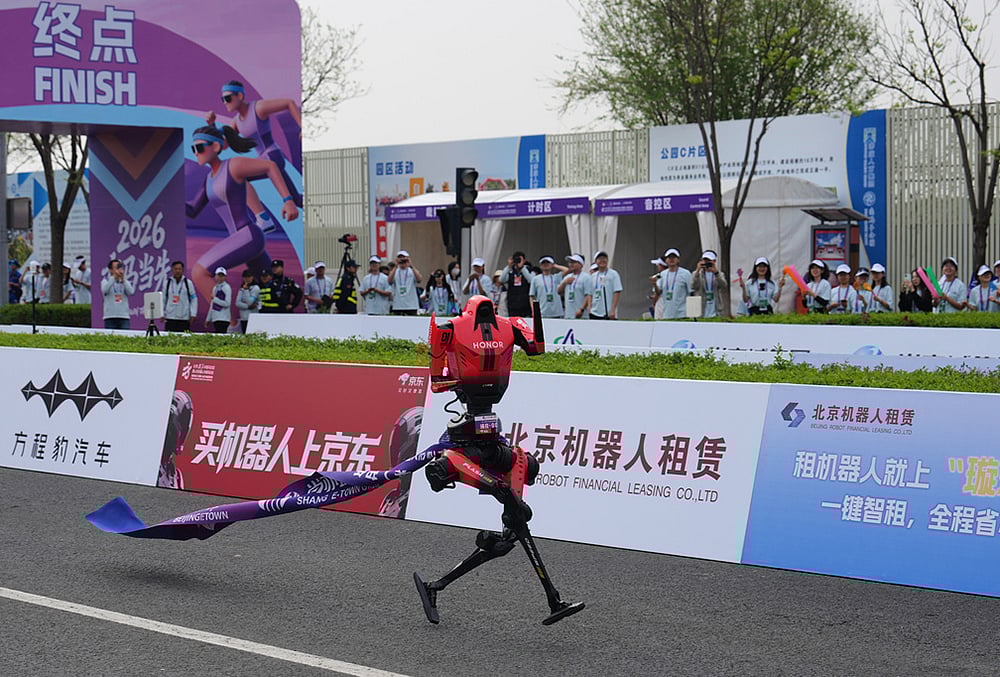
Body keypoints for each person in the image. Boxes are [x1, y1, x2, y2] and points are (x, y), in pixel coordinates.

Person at [415, 296, 584, 626]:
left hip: (488, 441)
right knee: (508, 500)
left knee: (514, 517)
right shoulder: (506, 326)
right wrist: (533, 312)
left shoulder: (451, 328)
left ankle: (437, 586)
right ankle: (552, 597)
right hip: (462, 452)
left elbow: (438, 380)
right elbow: (536, 347)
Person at [185, 125, 299, 305]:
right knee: (269, 291)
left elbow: (270, 166)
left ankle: (228, 322)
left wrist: (288, 200)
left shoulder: (233, 166)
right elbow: (192, 210)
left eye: (199, 148)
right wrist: (168, 194)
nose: (195, 153)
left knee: (200, 272)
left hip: (248, 235)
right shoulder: (208, 179)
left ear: (215, 147)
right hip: (242, 239)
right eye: (193, 149)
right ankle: (277, 321)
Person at [207, 80, 303, 207]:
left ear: (240, 96)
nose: (225, 102)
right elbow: (224, 146)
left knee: (237, 177)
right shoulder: (236, 122)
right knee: (298, 200)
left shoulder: (258, 108)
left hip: (272, 156)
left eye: (228, 98)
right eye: (222, 99)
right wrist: (212, 125)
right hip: (266, 158)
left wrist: (302, 127)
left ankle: (261, 216)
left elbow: (289, 103)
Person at [690, 250, 729, 318]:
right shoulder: (697, 274)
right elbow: (693, 286)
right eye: (705, 260)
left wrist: (716, 273)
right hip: (702, 310)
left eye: (709, 261)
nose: (706, 263)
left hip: (715, 310)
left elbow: (724, 285)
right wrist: (697, 271)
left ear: (714, 261)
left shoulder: (719, 274)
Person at [162, 260, 199, 332]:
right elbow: (163, 299)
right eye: (175, 269)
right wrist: (162, 313)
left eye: (179, 269)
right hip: (170, 317)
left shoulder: (188, 283)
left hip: (184, 318)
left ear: (182, 270)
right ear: (172, 270)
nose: (177, 271)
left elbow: (194, 298)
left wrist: (193, 313)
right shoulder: (167, 283)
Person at [657, 248, 691, 319]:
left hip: (682, 314)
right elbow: (658, 292)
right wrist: (654, 284)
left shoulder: (686, 273)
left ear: (678, 259)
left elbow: (692, 292)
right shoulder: (662, 274)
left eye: (674, 257)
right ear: (666, 260)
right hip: (667, 314)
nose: (671, 259)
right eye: (669, 257)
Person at [101, 259, 134, 329]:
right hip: (110, 316)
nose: (118, 269)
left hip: (123, 316)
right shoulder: (105, 281)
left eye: (119, 267)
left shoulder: (125, 281)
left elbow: (130, 292)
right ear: (110, 270)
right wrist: (114, 278)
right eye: (116, 267)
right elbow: (105, 290)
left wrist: (123, 279)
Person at [589, 251, 622, 320]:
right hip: (595, 312)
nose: (602, 261)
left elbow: (617, 292)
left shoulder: (613, 274)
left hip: (608, 312)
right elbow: (590, 294)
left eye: (604, 258)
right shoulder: (593, 276)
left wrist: (613, 310)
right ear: (596, 261)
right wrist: (589, 309)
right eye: (599, 259)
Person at [500, 251, 534, 318]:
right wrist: (508, 266)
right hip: (512, 304)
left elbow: (531, 281)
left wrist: (522, 268)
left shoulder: (529, 270)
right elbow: (502, 279)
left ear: (524, 260)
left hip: (525, 304)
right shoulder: (510, 271)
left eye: (519, 259)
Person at [388, 250, 422, 315]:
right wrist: (395, 266)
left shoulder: (412, 271)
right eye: (400, 258)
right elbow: (389, 281)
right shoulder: (395, 271)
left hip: (411, 305)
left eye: (404, 258)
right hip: (398, 305)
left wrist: (411, 265)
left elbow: (419, 279)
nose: (402, 260)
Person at [558, 253, 592, 320]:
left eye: (574, 262)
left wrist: (581, 309)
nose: (571, 264)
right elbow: (559, 291)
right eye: (570, 262)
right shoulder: (567, 277)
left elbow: (588, 295)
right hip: (568, 314)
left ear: (581, 265)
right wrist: (564, 283)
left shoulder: (586, 277)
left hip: (581, 314)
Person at [206, 267, 232, 333]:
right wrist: (208, 318)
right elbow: (212, 304)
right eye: (218, 275)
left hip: (224, 318)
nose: (220, 278)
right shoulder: (215, 288)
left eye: (222, 276)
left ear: (225, 277)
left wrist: (215, 299)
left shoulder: (227, 287)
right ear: (215, 276)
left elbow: (227, 304)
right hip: (216, 318)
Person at [235, 268, 260, 333]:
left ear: (252, 277)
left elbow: (249, 302)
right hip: (243, 318)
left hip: (253, 318)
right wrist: (247, 307)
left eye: (249, 277)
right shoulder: (241, 289)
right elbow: (237, 303)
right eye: (245, 277)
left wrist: (246, 290)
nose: (247, 279)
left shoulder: (256, 288)